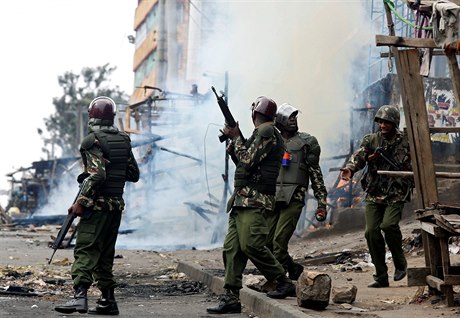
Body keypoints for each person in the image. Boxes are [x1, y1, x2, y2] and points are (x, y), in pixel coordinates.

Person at [206, 96, 295, 315]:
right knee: (232, 249)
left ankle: (282, 281)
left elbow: (246, 160)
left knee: (251, 244)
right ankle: (231, 297)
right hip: (242, 200)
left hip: (255, 200)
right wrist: (235, 145)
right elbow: (247, 166)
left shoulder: (266, 131)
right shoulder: (262, 133)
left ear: (254, 113)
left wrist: (236, 138)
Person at [55, 96, 140, 315]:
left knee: (86, 249)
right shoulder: (124, 139)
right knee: (105, 254)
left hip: (98, 207)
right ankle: (107, 301)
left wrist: (80, 203)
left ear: (92, 116)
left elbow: (97, 175)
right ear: (112, 117)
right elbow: (133, 174)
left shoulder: (92, 140)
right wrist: (110, 168)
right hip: (115, 207)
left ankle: (79, 298)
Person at [340, 105, 412, 288]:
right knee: (371, 232)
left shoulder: (405, 142)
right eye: (380, 121)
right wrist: (350, 168)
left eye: (386, 122)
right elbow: (359, 157)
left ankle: (400, 264)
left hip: (396, 192)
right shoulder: (371, 140)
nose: (382, 125)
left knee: (388, 226)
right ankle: (381, 276)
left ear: (394, 123)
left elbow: (415, 163)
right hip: (374, 192)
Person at [267, 103, 328, 281]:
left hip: (294, 196)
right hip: (273, 198)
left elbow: (316, 175)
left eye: (295, 116)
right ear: (279, 121)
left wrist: (321, 204)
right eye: (289, 117)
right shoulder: (271, 142)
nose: (293, 120)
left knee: (279, 243)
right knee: (266, 244)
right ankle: (293, 269)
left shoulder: (306, 142)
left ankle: (280, 283)